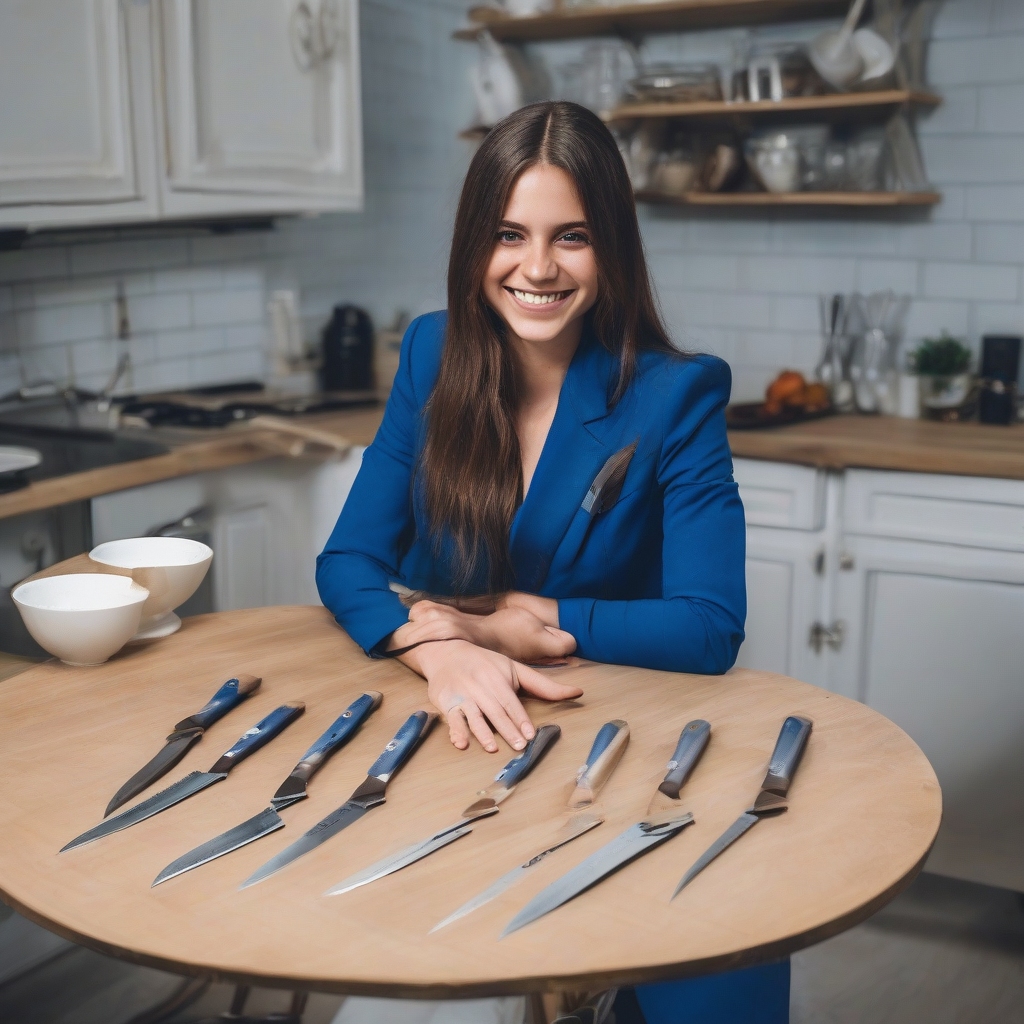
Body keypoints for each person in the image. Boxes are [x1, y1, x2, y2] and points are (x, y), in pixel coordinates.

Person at [318, 102, 784, 1024]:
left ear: (610, 246)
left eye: (570, 236)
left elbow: (708, 624)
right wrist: (442, 650)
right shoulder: (431, 353)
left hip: (613, 751)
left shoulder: (676, 393)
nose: (537, 268)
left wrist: (503, 624)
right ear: (474, 245)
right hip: (454, 733)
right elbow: (347, 562)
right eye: (509, 235)